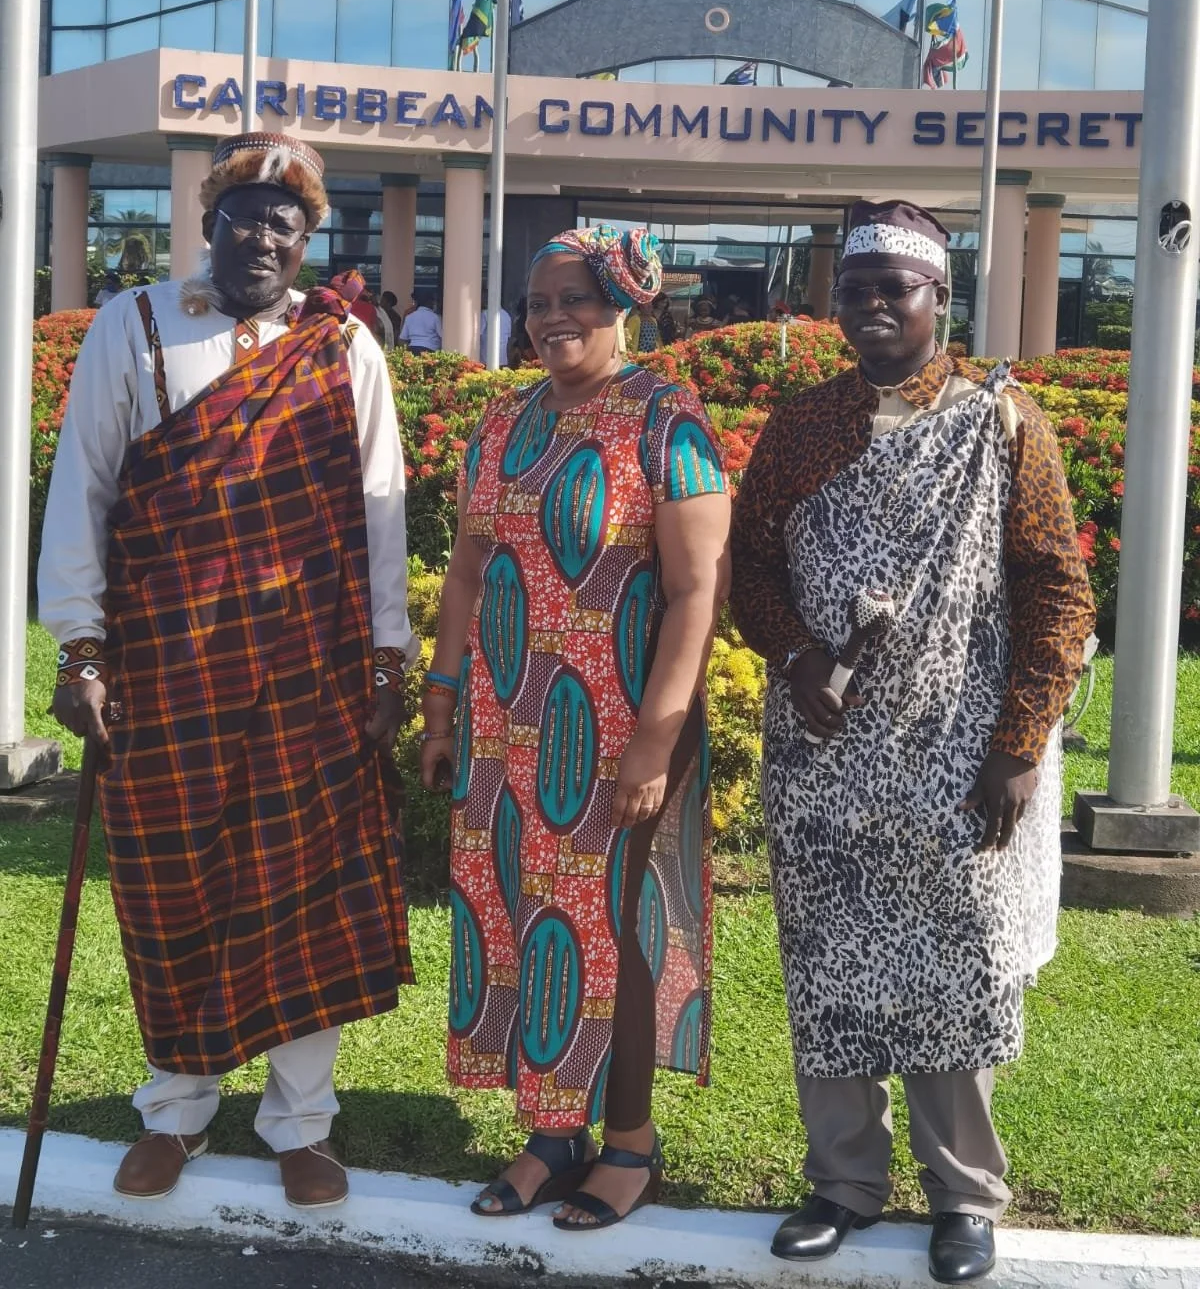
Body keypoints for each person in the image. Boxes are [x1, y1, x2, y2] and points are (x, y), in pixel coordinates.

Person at [38, 132, 418, 1211]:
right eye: (244, 215)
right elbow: (84, 495)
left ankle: (303, 1124)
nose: (261, 237)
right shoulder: (136, 324)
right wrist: (82, 648)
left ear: (308, 241)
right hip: (167, 661)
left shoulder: (344, 347)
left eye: (284, 224)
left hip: (311, 661)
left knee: (302, 883)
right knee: (175, 883)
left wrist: (389, 661)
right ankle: (177, 1112)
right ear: (209, 221)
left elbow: (378, 511)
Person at [729, 200, 1093, 1285]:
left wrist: (1021, 741)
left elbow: (1059, 588)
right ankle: (840, 1183)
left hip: (956, 749)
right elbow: (753, 569)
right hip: (826, 754)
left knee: (956, 968)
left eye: (900, 286)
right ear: (834, 300)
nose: (876, 305)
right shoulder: (801, 427)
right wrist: (794, 657)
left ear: (942, 298)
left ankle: (964, 1198)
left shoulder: (1002, 421)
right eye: (857, 287)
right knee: (833, 967)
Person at [421, 225, 730, 1232]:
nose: (553, 316)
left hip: (620, 726)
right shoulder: (504, 419)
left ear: (623, 300)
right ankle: (553, 1135)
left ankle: (629, 1145)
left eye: (575, 298)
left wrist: (652, 739)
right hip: (509, 725)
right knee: (525, 916)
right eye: (538, 298)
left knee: (616, 928)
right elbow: (468, 567)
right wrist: (442, 696)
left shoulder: (668, 422)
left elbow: (696, 593)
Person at [400, 287, 443, 353]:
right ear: (429, 302)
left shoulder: (409, 317)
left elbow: (403, 338)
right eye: (433, 301)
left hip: (412, 351)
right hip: (430, 352)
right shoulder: (435, 317)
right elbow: (442, 336)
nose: (434, 303)